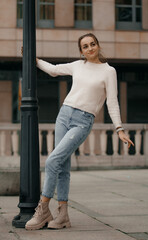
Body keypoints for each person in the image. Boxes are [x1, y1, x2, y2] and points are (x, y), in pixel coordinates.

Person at [24, 33, 134, 230]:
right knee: (62, 167)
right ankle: (63, 215)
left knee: (52, 160)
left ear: (98, 46)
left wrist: (119, 129)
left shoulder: (109, 71)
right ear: (81, 51)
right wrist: (35, 59)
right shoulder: (77, 65)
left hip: (83, 121)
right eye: (85, 46)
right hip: (64, 115)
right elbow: (54, 70)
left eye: (92, 44)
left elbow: (112, 102)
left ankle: (43, 210)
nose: (90, 48)